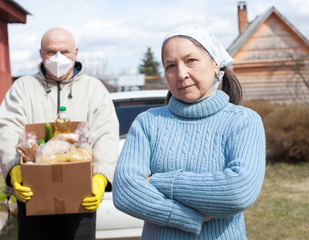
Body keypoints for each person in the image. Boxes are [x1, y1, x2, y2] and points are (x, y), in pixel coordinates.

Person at [113, 24, 266, 239]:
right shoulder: (147, 123)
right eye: (170, 66)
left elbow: (237, 192)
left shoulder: (243, 122)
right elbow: (125, 193)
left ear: (215, 64)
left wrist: (158, 181)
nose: (181, 74)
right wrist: (186, 216)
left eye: (191, 61)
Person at [0, 27, 119, 240]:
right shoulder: (23, 88)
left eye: (65, 51)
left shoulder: (94, 89)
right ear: (41, 53)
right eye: (51, 52)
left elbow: (106, 133)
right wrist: (14, 167)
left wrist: (101, 177)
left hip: (81, 191)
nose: (58, 57)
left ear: (76, 53)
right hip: (34, 190)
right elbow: (8, 127)